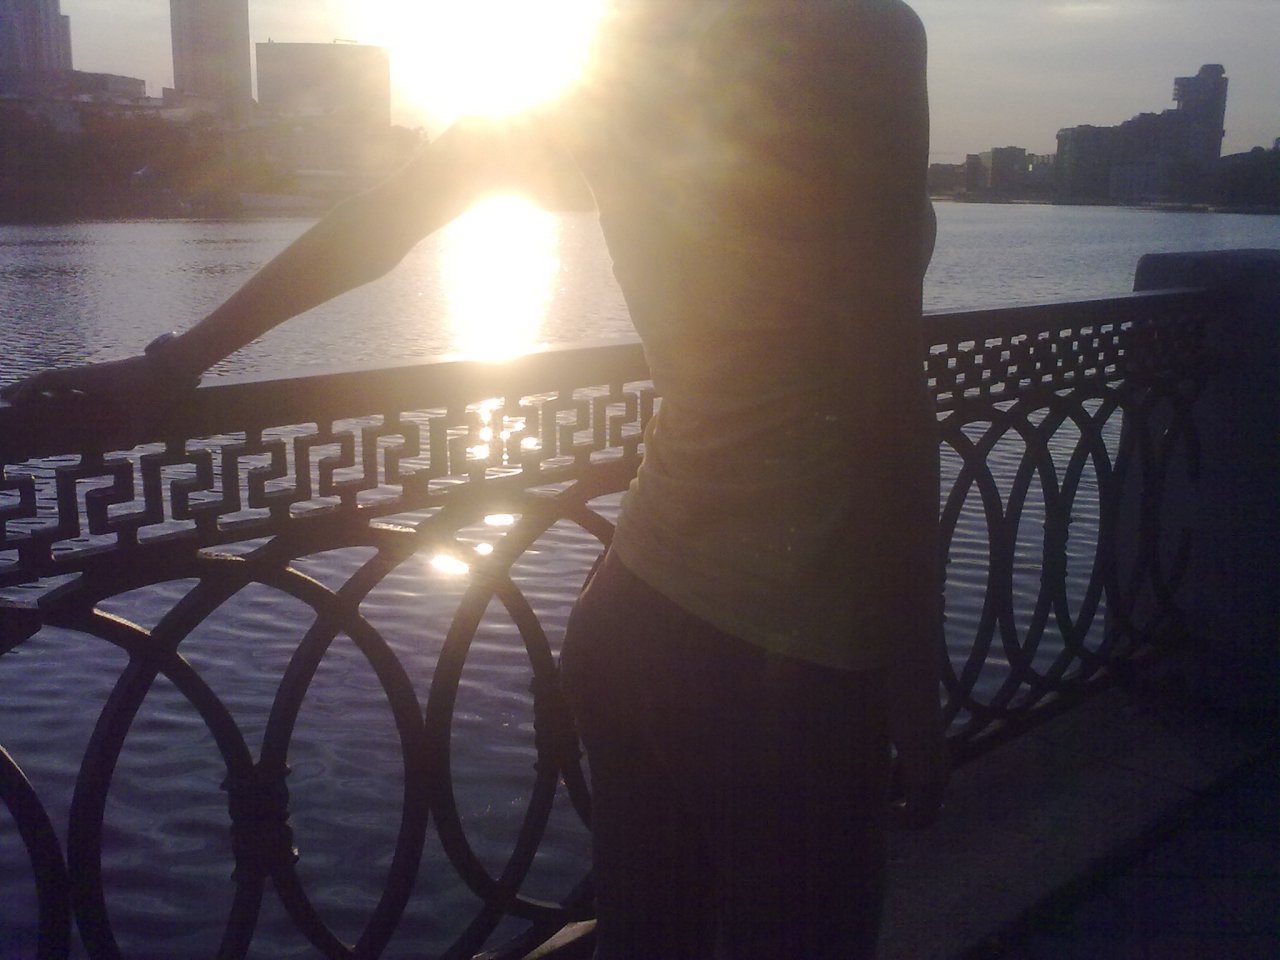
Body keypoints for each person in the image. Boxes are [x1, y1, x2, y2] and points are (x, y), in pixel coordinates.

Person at [3, 1, 949, 956]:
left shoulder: (621, 52)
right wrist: (914, 671)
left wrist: (175, 366)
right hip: (800, 656)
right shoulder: (856, 30)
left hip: (641, 615)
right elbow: (884, 384)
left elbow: (383, 221)